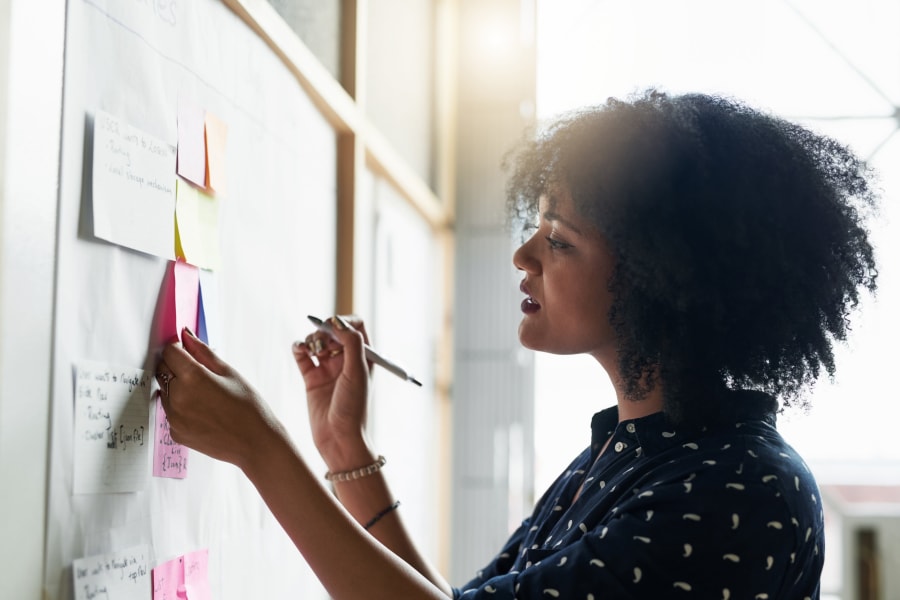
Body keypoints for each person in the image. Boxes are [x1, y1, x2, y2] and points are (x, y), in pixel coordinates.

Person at [156, 89, 879, 599]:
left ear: (665, 278)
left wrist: (261, 448)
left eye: (559, 239)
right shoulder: (632, 452)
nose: (523, 255)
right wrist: (346, 453)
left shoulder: (741, 493)